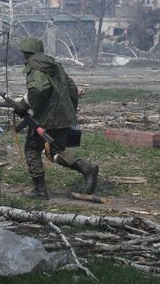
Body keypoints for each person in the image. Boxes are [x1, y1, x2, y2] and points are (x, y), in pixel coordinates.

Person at [16, 37, 98, 199]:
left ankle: (40, 190)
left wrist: (24, 105)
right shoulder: (55, 65)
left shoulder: (34, 66)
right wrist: (68, 112)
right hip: (62, 117)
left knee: (32, 149)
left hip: (47, 119)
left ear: (27, 53)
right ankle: (85, 167)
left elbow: (38, 89)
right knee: (54, 151)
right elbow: (72, 88)